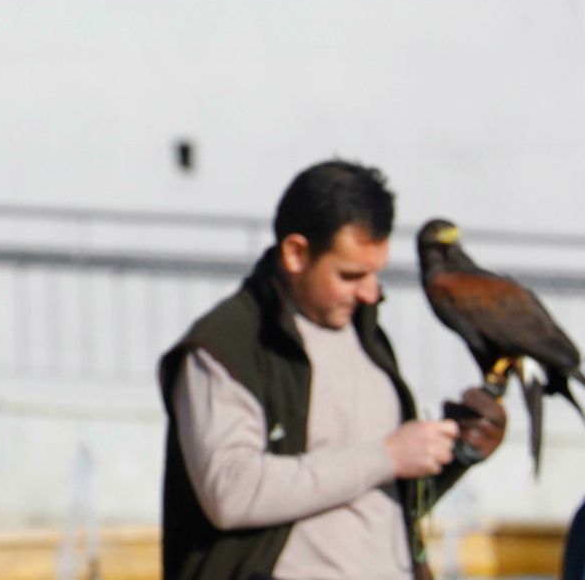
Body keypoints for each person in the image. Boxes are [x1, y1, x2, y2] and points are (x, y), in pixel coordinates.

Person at [158, 160, 506, 580]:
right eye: (351, 274)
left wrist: (453, 454)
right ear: (296, 253)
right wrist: (389, 455)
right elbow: (231, 492)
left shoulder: (367, 338)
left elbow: (369, 498)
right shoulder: (227, 346)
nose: (370, 292)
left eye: (375, 273)